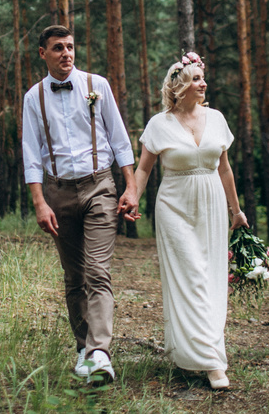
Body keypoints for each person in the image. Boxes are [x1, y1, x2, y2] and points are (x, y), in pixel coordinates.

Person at [22, 25, 140, 383]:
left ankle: (100, 352)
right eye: (58, 48)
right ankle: (83, 349)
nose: (66, 54)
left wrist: (131, 187)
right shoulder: (33, 97)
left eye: (70, 47)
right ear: (43, 53)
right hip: (57, 193)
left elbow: (119, 140)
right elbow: (31, 154)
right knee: (74, 276)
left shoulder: (96, 85)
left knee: (97, 271)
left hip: (99, 187)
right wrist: (40, 203)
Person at [125, 52, 249, 390]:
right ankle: (212, 362)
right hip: (174, 207)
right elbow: (144, 169)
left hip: (211, 206)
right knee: (190, 276)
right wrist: (133, 196)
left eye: (202, 78)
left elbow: (225, 169)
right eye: (196, 79)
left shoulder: (217, 119)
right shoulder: (159, 124)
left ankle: (197, 350)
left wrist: (236, 211)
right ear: (179, 86)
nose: (203, 83)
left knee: (210, 279)